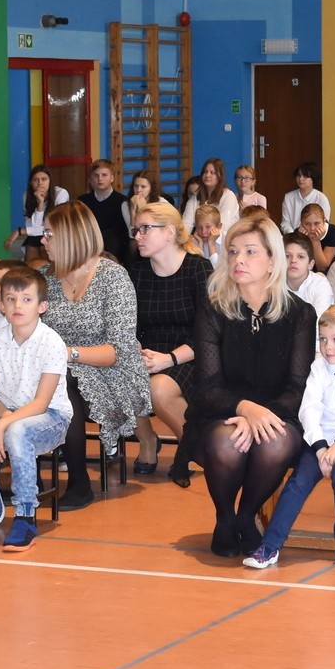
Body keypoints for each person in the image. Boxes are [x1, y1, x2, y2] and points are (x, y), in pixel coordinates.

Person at [185, 215, 315, 559]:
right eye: (232, 251)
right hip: (221, 411)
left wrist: (261, 414)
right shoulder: (213, 309)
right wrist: (244, 410)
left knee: (275, 442)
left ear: (272, 261)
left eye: (250, 251)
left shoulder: (300, 313)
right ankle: (225, 517)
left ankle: (246, 515)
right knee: (227, 443)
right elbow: (208, 386)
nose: (238, 260)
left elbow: (298, 386)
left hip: (278, 411)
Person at [247, 301, 335, 568]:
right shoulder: (319, 367)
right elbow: (309, 408)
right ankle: (270, 545)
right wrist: (321, 447)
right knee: (298, 482)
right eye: (323, 339)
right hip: (320, 441)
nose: (327, 346)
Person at [41, 201, 149, 512]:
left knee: (64, 380)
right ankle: (28, 478)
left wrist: (66, 354)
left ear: (70, 237)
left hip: (113, 373)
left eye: (49, 234)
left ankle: (79, 482)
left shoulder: (113, 278)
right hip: (57, 370)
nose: (43, 241)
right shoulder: (44, 277)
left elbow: (119, 350)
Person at [126, 200, 208, 486]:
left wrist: (168, 359)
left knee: (158, 389)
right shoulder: (136, 273)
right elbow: (129, 326)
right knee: (117, 374)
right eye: (136, 230)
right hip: (149, 354)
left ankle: (193, 447)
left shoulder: (198, 269)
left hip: (190, 356)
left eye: (145, 229)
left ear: (170, 232)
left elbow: (206, 333)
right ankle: (147, 440)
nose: (138, 236)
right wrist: (136, 350)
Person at [182, 157, 241, 234]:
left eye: (212, 173)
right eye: (205, 172)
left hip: (224, 239)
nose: (207, 175)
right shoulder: (196, 197)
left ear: (220, 176)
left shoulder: (228, 196)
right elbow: (186, 224)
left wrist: (209, 239)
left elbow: (224, 227)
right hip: (201, 238)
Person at [21, 166, 69, 257]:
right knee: (32, 241)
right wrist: (40, 203)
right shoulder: (27, 196)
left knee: (43, 241)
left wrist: (21, 231)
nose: (40, 183)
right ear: (31, 183)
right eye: (36, 180)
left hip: (58, 234)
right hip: (38, 235)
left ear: (50, 181)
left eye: (44, 179)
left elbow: (57, 226)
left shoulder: (61, 194)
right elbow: (34, 227)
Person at [282, 162, 331, 234]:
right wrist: (294, 234)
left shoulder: (321, 198)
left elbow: (325, 223)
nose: (300, 179)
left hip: (316, 236)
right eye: (298, 175)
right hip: (294, 237)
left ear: (313, 178)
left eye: (305, 176)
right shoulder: (289, 197)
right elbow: (285, 223)